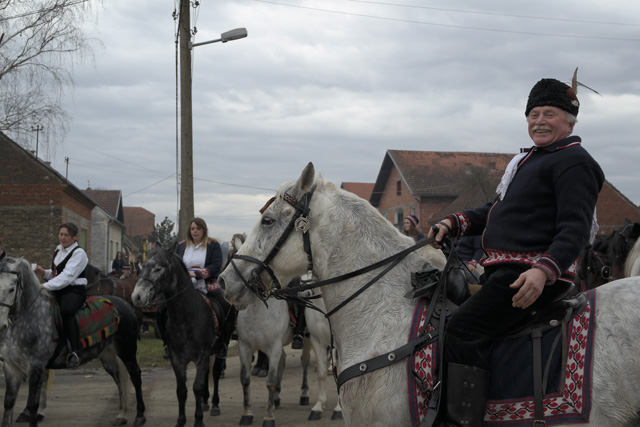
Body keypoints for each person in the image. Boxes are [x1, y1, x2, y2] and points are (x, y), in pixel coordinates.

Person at [428, 72, 604, 427]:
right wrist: (453, 222)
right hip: (506, 272)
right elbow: (495, 211)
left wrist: (544, 270)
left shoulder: (575, 161)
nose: (539, 121)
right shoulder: (527, 161)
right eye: (533, 114)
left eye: (550, 114)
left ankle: (460, 422)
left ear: (570, 121)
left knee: (462, 328)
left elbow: (575, 228)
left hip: (529, 276)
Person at [175, 217, 235, 359]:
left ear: (204, 230)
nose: (195, 231)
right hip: (183, 287)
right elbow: (175, 264)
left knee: (228, 307)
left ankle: (223, 343)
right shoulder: (181, 246)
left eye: (198, 228)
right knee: (162, 307)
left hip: (206, 285)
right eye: (192, 229)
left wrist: (196, 274)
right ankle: (168, 343)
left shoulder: (213, 245)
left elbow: (216, 265)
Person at [34, 223, 89, 368]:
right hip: (57, 289)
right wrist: (44, 273)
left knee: (66, 311)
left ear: (75, 237)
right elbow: (57, 274)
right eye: (61, 234)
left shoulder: (79, 253)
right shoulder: (58, 250)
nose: (62, 238)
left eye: (66, 235)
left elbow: (67, 276)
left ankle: (74, 351)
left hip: (74, 291)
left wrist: (44, 286)